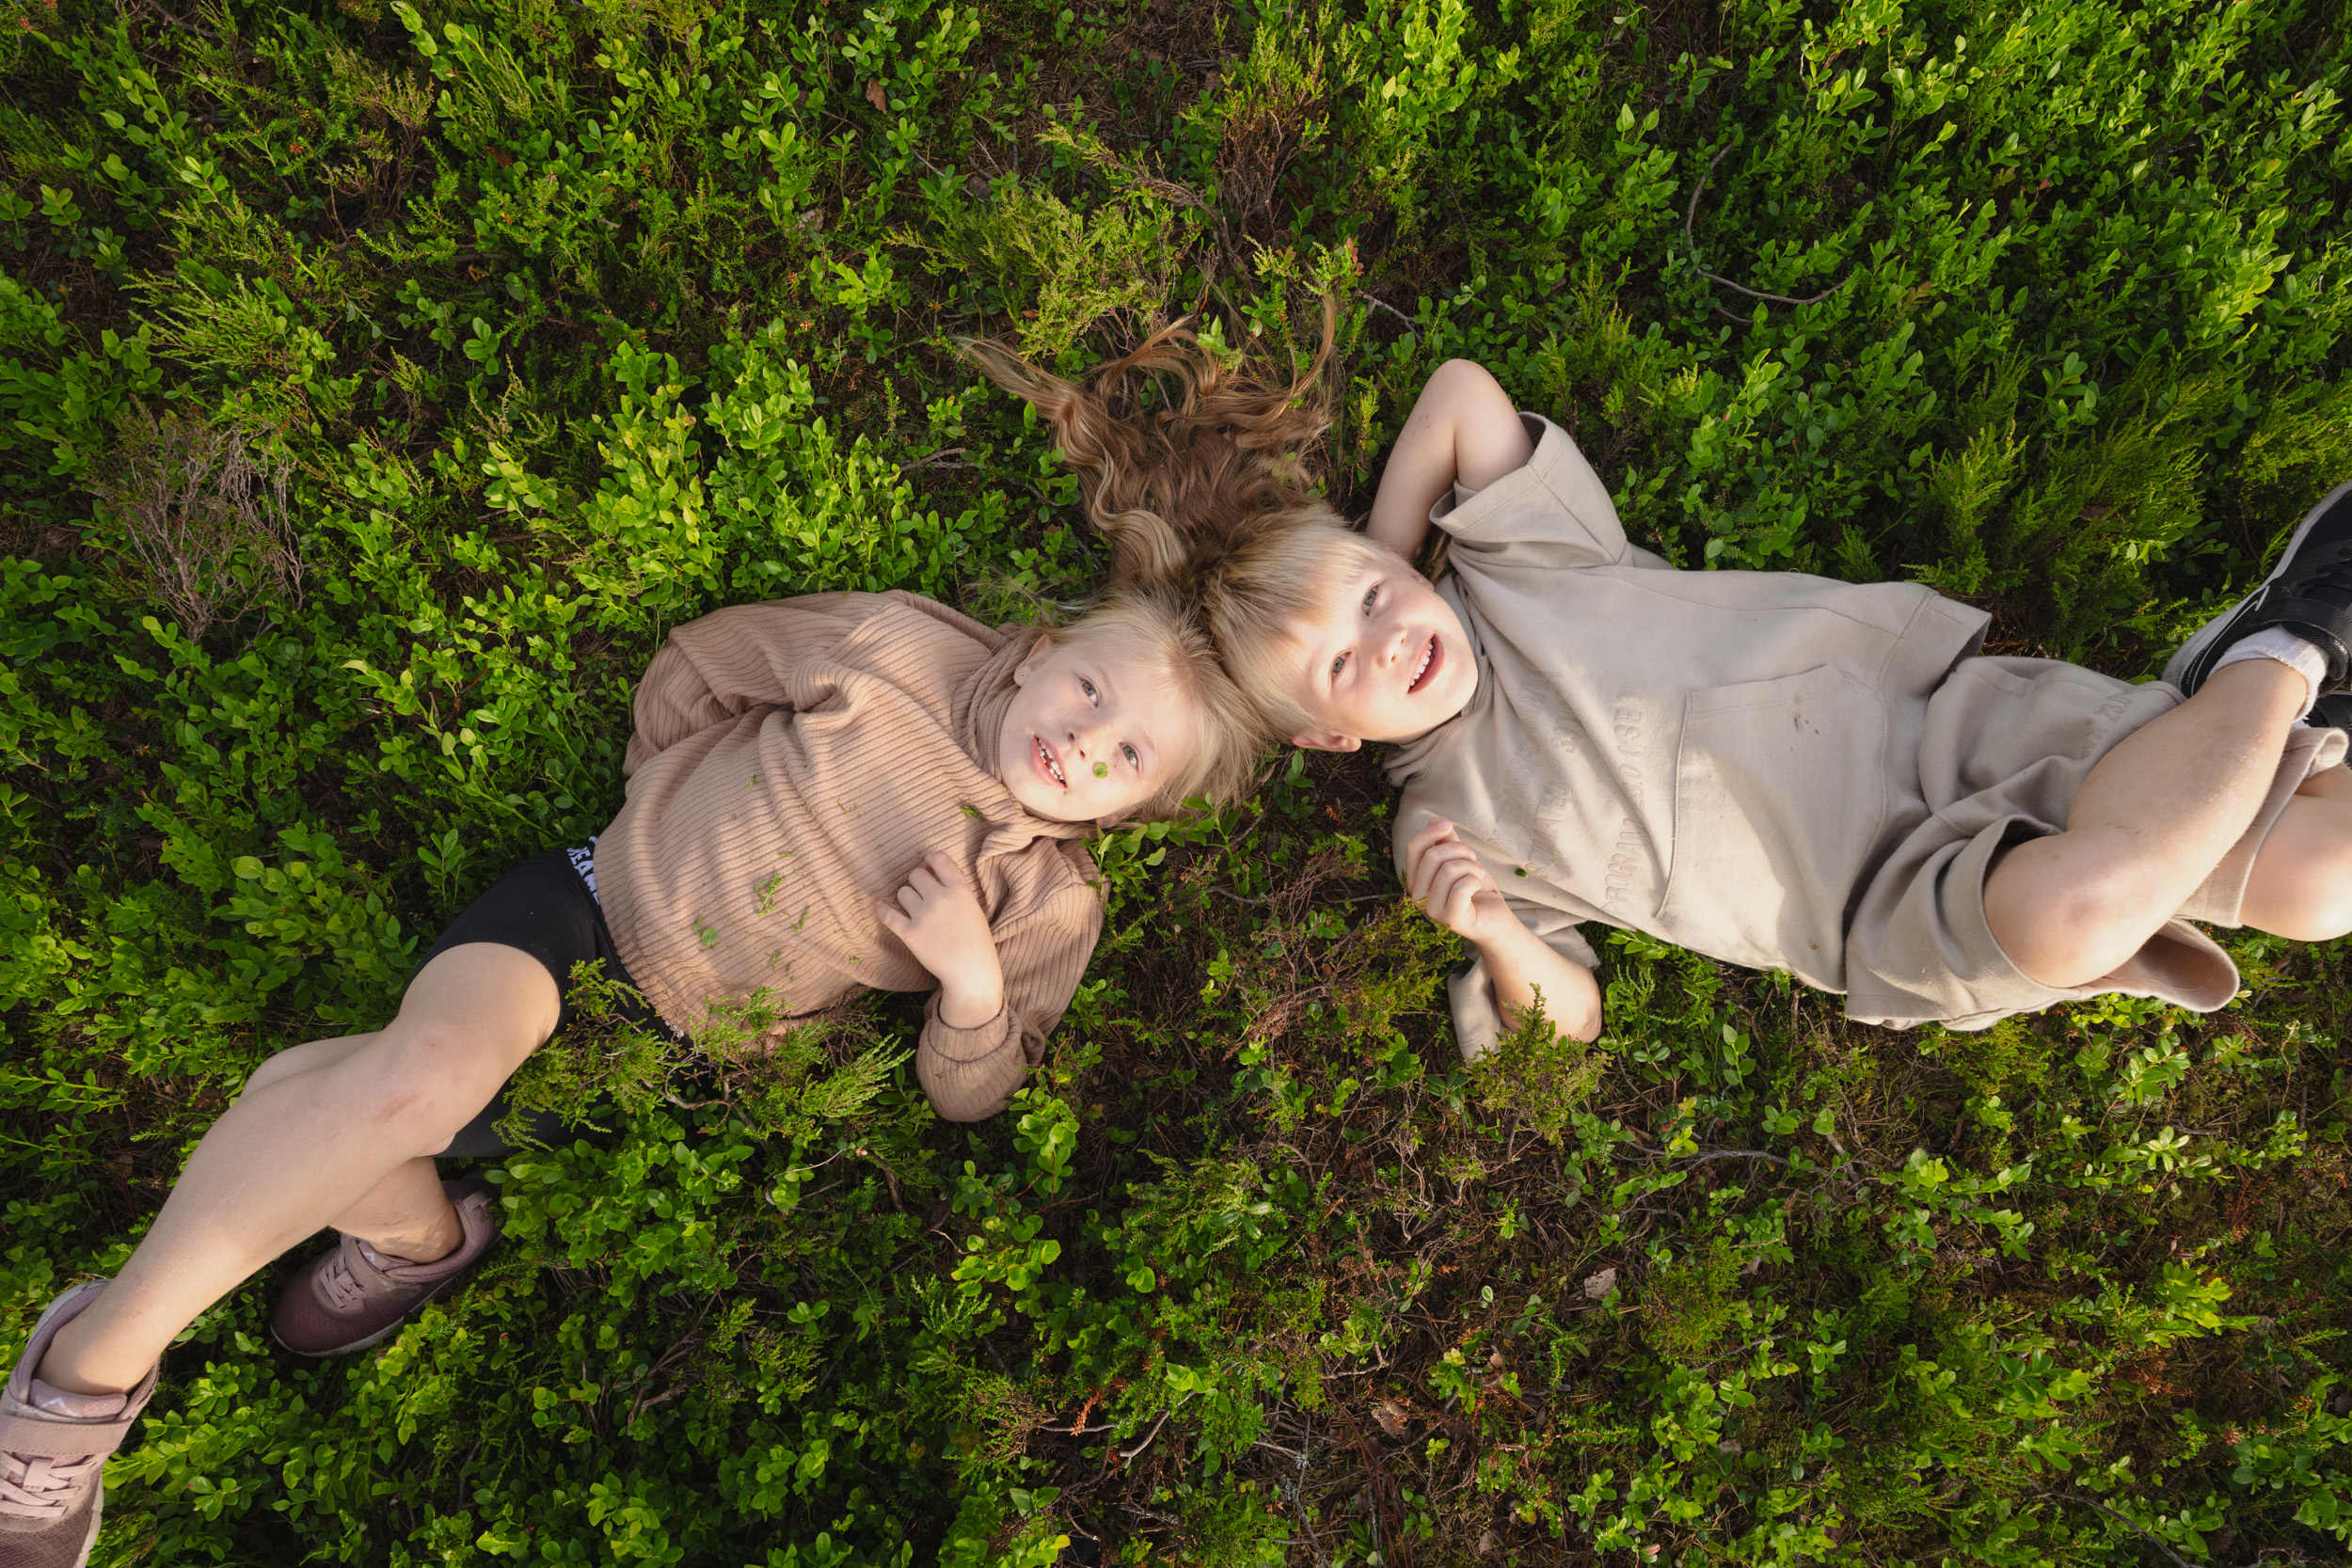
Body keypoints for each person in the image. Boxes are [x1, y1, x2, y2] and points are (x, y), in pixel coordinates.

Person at [1, 580, 1262, 1566]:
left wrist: (972, 984)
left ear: (1132, 813)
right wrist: (657, 806)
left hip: (662, 1055)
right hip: (578, 912)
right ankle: (78, 1392)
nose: (1088, 742)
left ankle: (421, 1239)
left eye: (1131, 758)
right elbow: (703, 668)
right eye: (1091, 689)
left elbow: (974, 1090)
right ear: (1041, 648)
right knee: (420, 1076)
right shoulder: (894, 651)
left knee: (317, 1097)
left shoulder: (1044, 898)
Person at [979, 330, 2352, 1066]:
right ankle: (2284, 646)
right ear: (1332, 741)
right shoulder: (1447, 819)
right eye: (1346, 667)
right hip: (1896, 899)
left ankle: (2260, 670)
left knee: (2320, 883)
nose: (1389, 637)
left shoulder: (1519, 562)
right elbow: (1568, 1014)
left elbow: (1459, 391)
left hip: (1948, 719)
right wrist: (1502, 946)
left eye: (1378, 596)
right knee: (2092, 910)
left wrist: (1386, 564)